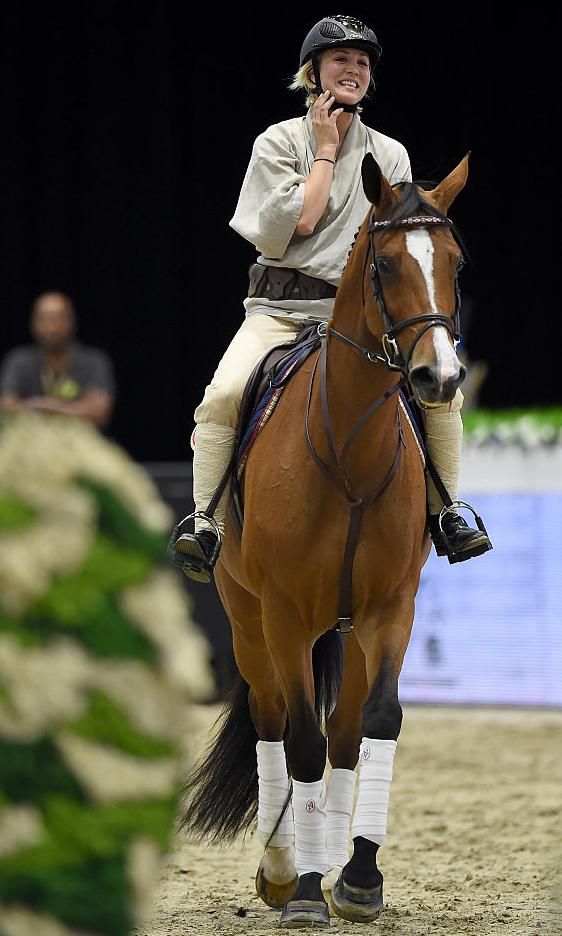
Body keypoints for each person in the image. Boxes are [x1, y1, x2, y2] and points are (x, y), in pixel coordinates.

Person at [172, 14, 492, 582]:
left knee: (441, 394)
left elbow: (402, 240)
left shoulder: (390, 154)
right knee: (221, 396)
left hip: (358, 321)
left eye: (363, 63)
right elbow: (297, 224)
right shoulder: (277, 142)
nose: (354, 69)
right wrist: (323, 150)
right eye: (341, 59)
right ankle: (207, 522)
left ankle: (449, 511)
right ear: (313, 72)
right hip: (278, 313)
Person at [0, 291, 115, 429]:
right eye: (44, 319)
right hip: (28, 437)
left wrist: (50, 408)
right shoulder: (19, 360)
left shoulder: (94, 361)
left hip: (80, 440)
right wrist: (72, 410)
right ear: (33, 323)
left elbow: (99, 412)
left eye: (58, 318)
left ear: (71, 322)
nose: (52, 327)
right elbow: (7, 406)